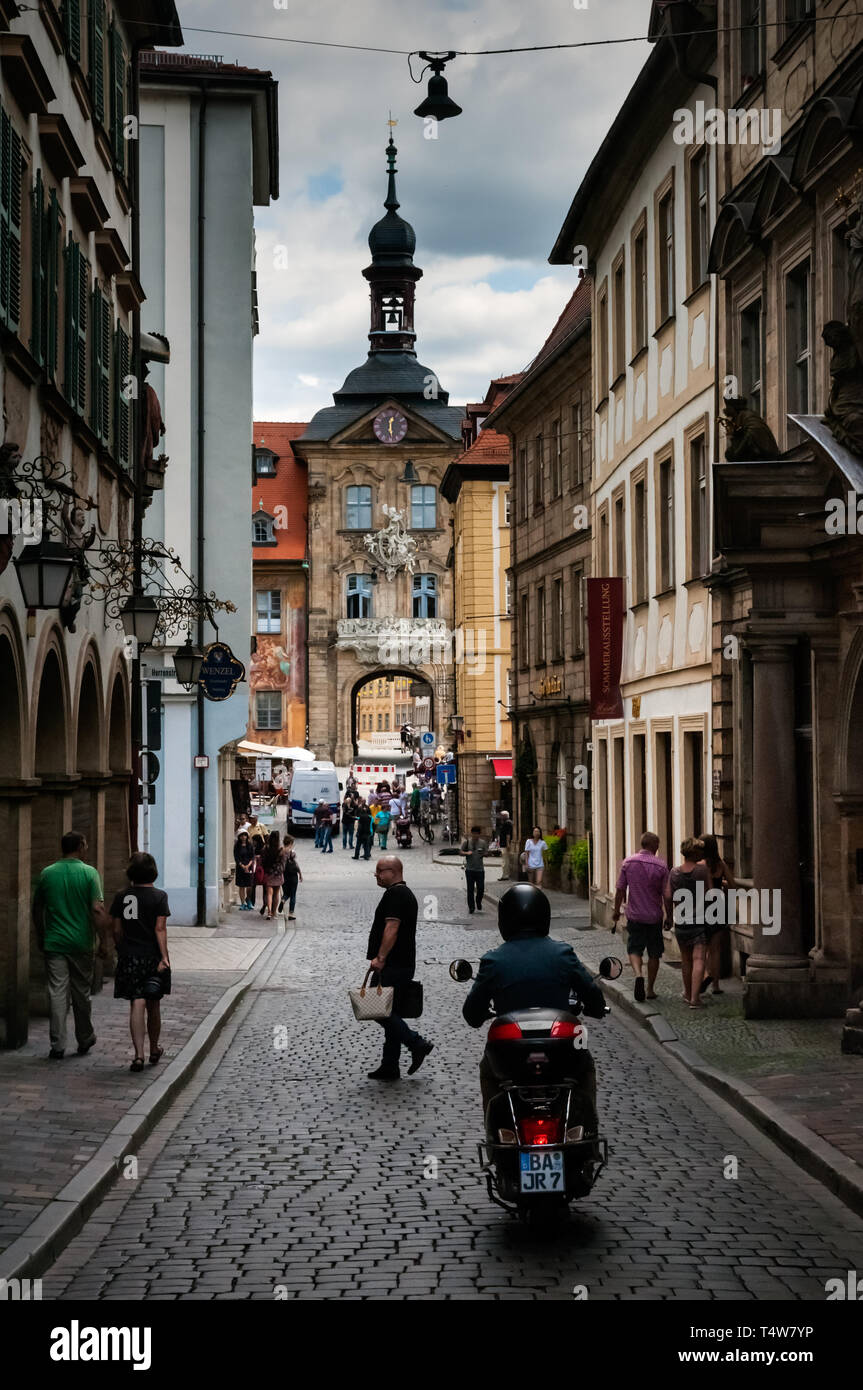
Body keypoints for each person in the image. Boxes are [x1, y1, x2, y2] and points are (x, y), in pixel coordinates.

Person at [462, 884, 606, 1125]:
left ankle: (495, 1132)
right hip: (560, 1051)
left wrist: (479, 1015)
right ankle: (588, 1128)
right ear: (544, 916)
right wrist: (596, 1007)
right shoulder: (562, 954)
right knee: (584, 1068)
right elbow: (590, 992)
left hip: (511, 1056)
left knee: (490, 1074)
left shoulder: (493, 960)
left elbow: (471, 1013)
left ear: (504, 919)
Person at [32, 830, 111, 1060]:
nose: (87, 849)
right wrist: (103, 941)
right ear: (80, 846)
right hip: (80, 943)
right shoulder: (89, 873)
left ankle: (57, 1045)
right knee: (81, 993)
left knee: (57, 992)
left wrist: (41, 933)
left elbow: (38, 907)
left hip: (55, 942)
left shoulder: (47, 874)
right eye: (85, 845)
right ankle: (84, 1037)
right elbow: (97, 909)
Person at [365, 855, 433, 1081]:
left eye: (380, 871)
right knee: (390, 1011)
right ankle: (390, 1065)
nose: (376, 875)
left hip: (393, 964)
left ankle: (416, 1042)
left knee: (378, 1009)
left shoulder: (396, 894)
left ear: (393, 872)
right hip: (403, 964)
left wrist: (381, 958)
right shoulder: (403, 893)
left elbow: (392, 927)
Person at [110, 852, 171, 1072]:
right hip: (152, 956)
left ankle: (138, 1055)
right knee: (153, 1002)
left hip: (130, 955)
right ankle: (154, 1047)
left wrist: (121, 948)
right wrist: (164, 957)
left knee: (137, 1002)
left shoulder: (122, 896)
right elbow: (160, 928)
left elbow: (116, 929)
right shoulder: (159, 897)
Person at [613, 830, 670, 1003]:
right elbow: (667, 895)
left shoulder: (628, 862)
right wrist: (670, 916)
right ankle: (650, 989)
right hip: (653, 916)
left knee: (634, 949)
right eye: (658, 845)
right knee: (654, 953)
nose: (659, 848)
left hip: (635, 915)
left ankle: (638, 974)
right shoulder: (661, 866)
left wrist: (616, 911)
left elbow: (620, 889)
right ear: (653, 846)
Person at [666, 838, 710, 1008]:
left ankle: (687, 993)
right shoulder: (702, 871)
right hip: (699, 921)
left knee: (686, 960)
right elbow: (710, 894)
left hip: (681, 921)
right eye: (700, 851)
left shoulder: (674, 872)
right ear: (695, 853)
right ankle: (695, 998)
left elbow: (668, 896)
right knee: (699, 959)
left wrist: (669, 917)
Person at [700, 833, 736, 996]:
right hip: (718, 905)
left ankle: (703, 978)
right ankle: (715, 984)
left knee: (703, 948)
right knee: (716, 949)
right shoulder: (720, 864)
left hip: (703, 906)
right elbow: (733, 885)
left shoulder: (700, 865)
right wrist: (720, 883)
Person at [460, 826, 488, 914]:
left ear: (479, 834)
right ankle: (471, 907)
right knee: (470, 889)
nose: (475, 835)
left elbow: (486, 853)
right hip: (469, 870)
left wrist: (483, 853)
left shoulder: (483, 843)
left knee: (481, 888)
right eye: (473, 833)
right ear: (472, 833)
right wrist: (466, 853)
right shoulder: (467, 842)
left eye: (477, 834)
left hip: (480, 870)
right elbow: (460, 852)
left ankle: (478, 901)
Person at [260, 831, 286, 920]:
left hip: (268, 873)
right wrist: (281, 870)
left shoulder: (266, 848)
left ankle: (269, 912)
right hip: (278, 873)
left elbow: (262, 861)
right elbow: (283, 863)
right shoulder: (280, 849)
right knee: (276, 894)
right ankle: (274, 913)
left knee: (269, 893)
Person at [280, 835, 302, 919]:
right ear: (290, 843)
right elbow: (295, 864)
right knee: (293, 894)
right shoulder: (292, 852)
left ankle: (283, 899)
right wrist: (300, 874)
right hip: (293, 875)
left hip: (284, 874)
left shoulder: (281, 851)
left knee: (286, 892)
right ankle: (291, 914)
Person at [233, 832, 256, 910]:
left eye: (245, 835)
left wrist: (248, 865)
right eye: (242, 835)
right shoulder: (237, 846)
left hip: (249, 867)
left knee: (249, 885)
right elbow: (236, 857)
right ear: (239, 837)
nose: (244, 837)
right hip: (240, 868)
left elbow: (252, 857)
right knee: (241, 886)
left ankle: (248, 900)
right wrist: (242, 866)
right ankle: (242, 903)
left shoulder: (250, 845)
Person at [496, 810, 514, 879]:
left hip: (505, 844)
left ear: (504, 816)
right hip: (504, 844)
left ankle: (505, 875)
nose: (500, 817)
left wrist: (508, 844)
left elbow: (508, 834)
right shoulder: (507, 823)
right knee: (505, 860)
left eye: (501, 816)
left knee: (505, 860)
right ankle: (506, 874)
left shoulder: (507, 823)